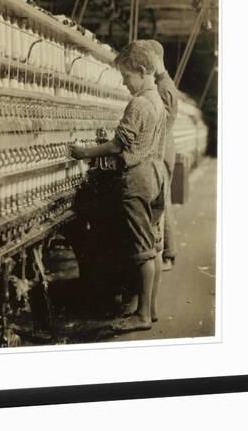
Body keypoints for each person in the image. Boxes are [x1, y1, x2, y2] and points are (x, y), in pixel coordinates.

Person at [69, 41, 167, 331]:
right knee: (153, 245)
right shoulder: (157, 100)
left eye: (127, 77)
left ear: (141, 70)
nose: (125, 83)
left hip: (137, 180)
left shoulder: (138, 103)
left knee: (141, 250)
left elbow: (117, 145)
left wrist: (84, 151)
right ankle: (150, 308)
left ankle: (142, 317)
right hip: (155, 175)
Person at [139, 39, 179, 270]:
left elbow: (161, 123)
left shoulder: (164, 87)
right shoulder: (164, 84)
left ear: (154, 59)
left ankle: (166, 255)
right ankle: (167, 253)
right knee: (164, 201)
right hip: (164, 147)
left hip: (162, 150)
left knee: (162, 202)